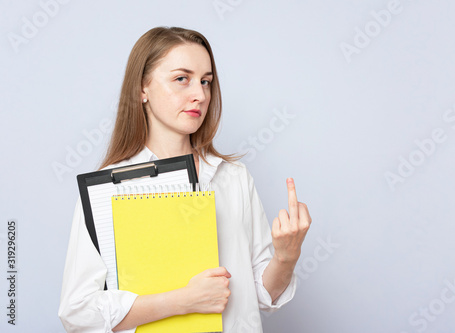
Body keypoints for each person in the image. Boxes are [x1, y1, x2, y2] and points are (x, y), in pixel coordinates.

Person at [58, 26, 312, 333]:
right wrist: (183, 301)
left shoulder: (233, 178)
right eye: (182, 79)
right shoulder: (108, 188)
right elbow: (78, 313)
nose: (200, 95)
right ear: (142, 89)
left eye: (206, 81)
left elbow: (260, 294)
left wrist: (286, 257)